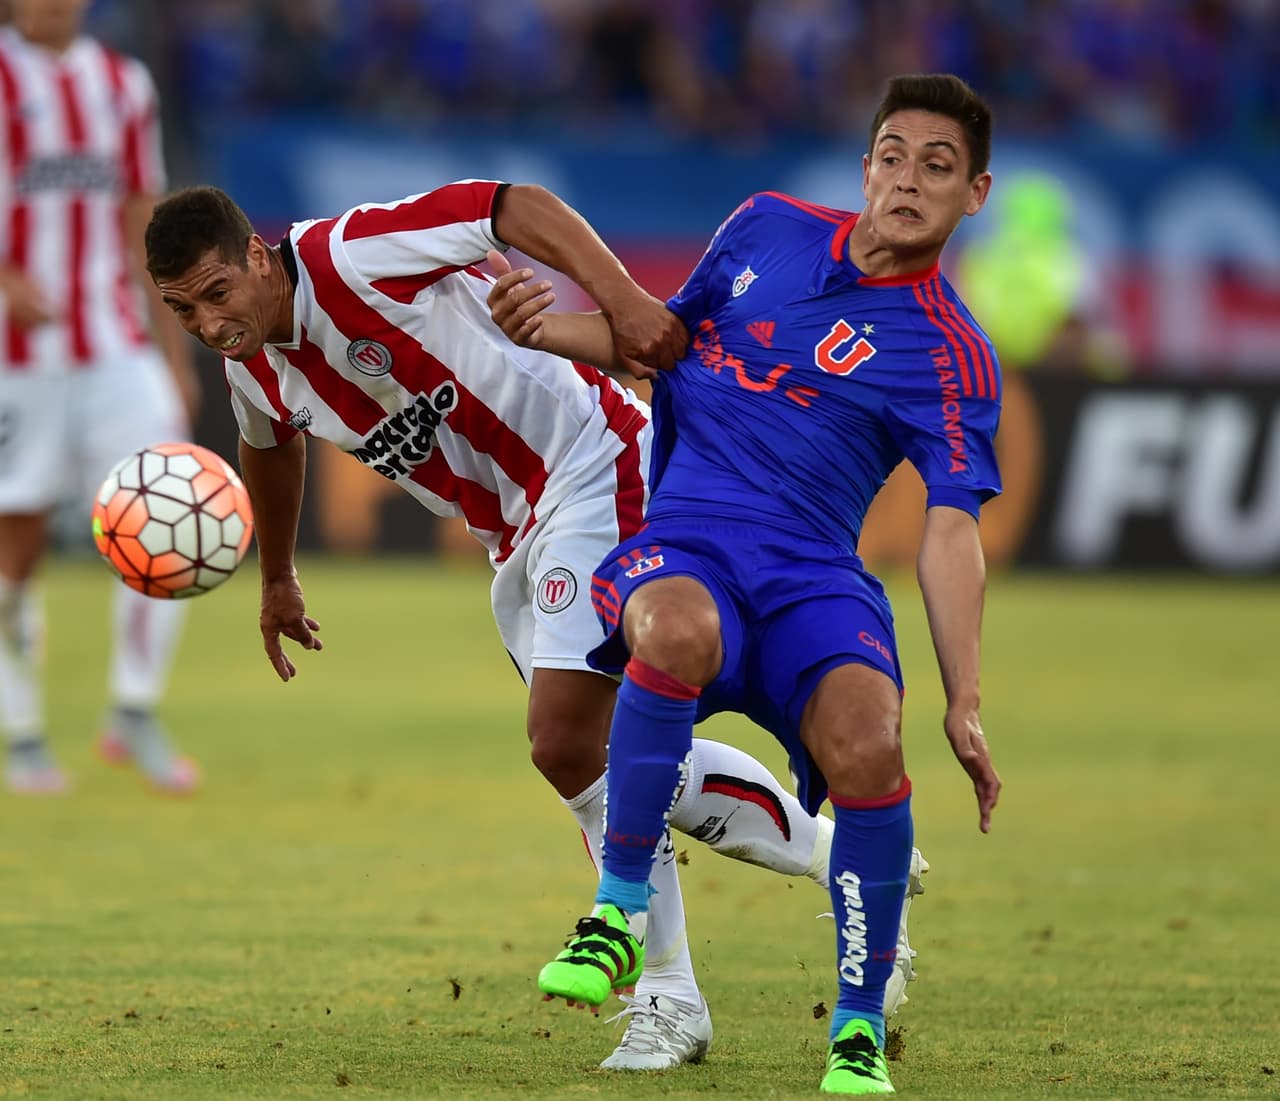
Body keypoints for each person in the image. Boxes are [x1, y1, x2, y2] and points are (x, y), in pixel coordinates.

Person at [142, 179, 929, 1072]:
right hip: (511, 534)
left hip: (592, 461)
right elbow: (268, 444)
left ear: (255, 254)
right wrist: (278, 572)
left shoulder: (351, 254)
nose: (208, 323)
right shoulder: (252, 363)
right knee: (602, 757)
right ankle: (847, 856)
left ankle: (669, 995)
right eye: (182, 310)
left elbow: (512, 206)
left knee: (565, 741)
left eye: (215, 293)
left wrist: (626, 301)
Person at [487, 73, 1003, 1094]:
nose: (907, 181)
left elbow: (949, 531)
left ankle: (855, 1028)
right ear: (863, 169)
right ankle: (616, 913)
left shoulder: (952, 354)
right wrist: (547, 328)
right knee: (668, 630)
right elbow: (660, 342)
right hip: (689, 545)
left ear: (972, 195)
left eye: (935, 167)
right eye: (892, 156)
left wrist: (968, 700)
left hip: (813, 578)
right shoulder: (763, 228)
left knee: (868, 739)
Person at [0, 0, 200, 794]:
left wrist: (173, 352)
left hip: (115, 345)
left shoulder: (123, 83)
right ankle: (22, 732)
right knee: (16, 549)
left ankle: (135, 709)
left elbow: (142, 219)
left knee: (172, 509)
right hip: (16, 361)